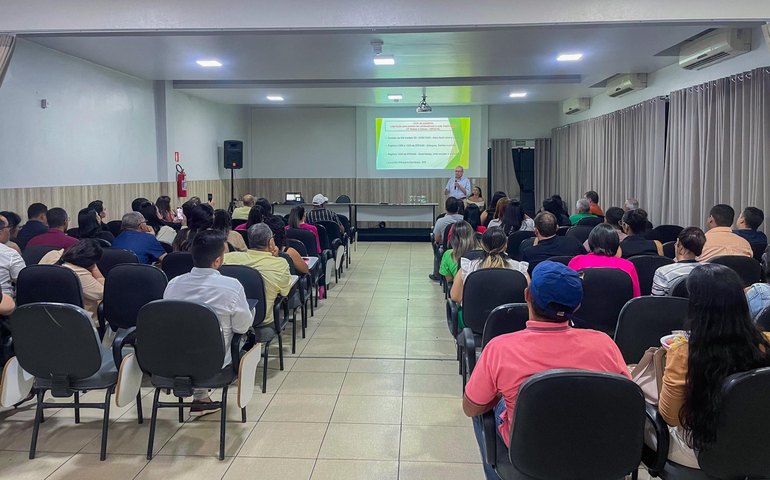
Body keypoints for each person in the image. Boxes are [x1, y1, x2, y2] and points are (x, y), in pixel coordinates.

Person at [463, 261, 630, 480]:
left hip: (528, 458)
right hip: (595, 454)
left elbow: (471, 407)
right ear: (577, 306)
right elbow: (626, 399)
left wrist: (502, 397)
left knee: (484, 406)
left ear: (526, 296)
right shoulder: (605, 344)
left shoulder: (500, 348)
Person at [656, 264, 770, 469]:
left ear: (696, 307)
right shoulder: (763, 343)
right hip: (759, 443)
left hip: (705, 451)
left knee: (646, 421)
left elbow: (670, 417)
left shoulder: (683, 351)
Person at [163, 229, 253, 416]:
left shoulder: (172, 284)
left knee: (191, 336)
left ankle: (201, 399)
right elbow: (242, 327)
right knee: (243, 336)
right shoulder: (232, 287)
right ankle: (203, 397)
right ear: (218, 261)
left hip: (175, 358)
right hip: (215, 361)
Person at [224, 223, 292, 326]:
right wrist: (276, 257)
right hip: (262, 320)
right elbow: (284, 292)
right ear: (270, 242)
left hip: (233, 320)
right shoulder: (280, 264)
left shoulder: (228, 258)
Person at [39, 240, 105, 324]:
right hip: (74, 322)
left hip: (42, 315)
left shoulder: (52, 254)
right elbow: (102, 293)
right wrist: (95, 270)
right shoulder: (78, 272)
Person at [568, 223, 641, 297]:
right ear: (616, 244)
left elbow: (568, 293)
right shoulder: (628, 266)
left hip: (582, 308)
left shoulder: (577, 261)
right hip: (619, 308)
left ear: (590, 242)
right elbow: (635, 297)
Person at [651, 227, 706, 296]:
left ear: (680, 247)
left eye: (676, 243)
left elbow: (656, 302)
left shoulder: (663, 272)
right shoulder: (708, 271)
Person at [0, 215, 25, 297]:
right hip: (4, 304)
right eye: (8, 227)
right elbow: (23, 279)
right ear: (1, 231)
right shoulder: (10, 253)